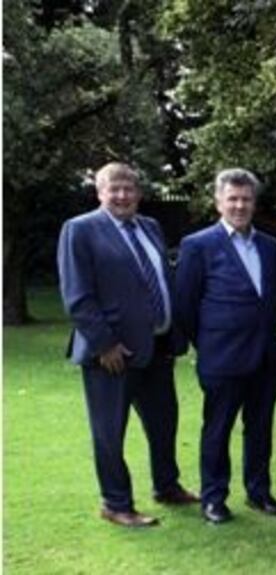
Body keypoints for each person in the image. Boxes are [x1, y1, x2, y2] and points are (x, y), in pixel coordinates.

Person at [57, 162, 198, 528]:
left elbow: (160, 280)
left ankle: (167, 486)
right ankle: (116, 503)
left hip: (156, 348)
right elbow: (78, 297)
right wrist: (105, 344)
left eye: (128, 189)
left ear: (138, 192)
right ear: (99, 193)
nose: (122, 196)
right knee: (109, 433)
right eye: (113, 189)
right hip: (112, 356)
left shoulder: (149, 226)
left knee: (164, 424)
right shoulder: (80, 230)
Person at [175, 169, 276, 524]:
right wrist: (207, 345)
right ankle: (213, 498)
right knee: (217, 430)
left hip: (266, 357)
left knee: (261, 428)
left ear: (254, 202)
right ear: (218, 201)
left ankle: (259, 492)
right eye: (232, 198)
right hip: (222, 357)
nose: (239, 205)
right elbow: (186, 306)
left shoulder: (270, 246)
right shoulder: (198, 245)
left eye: (246, 199)